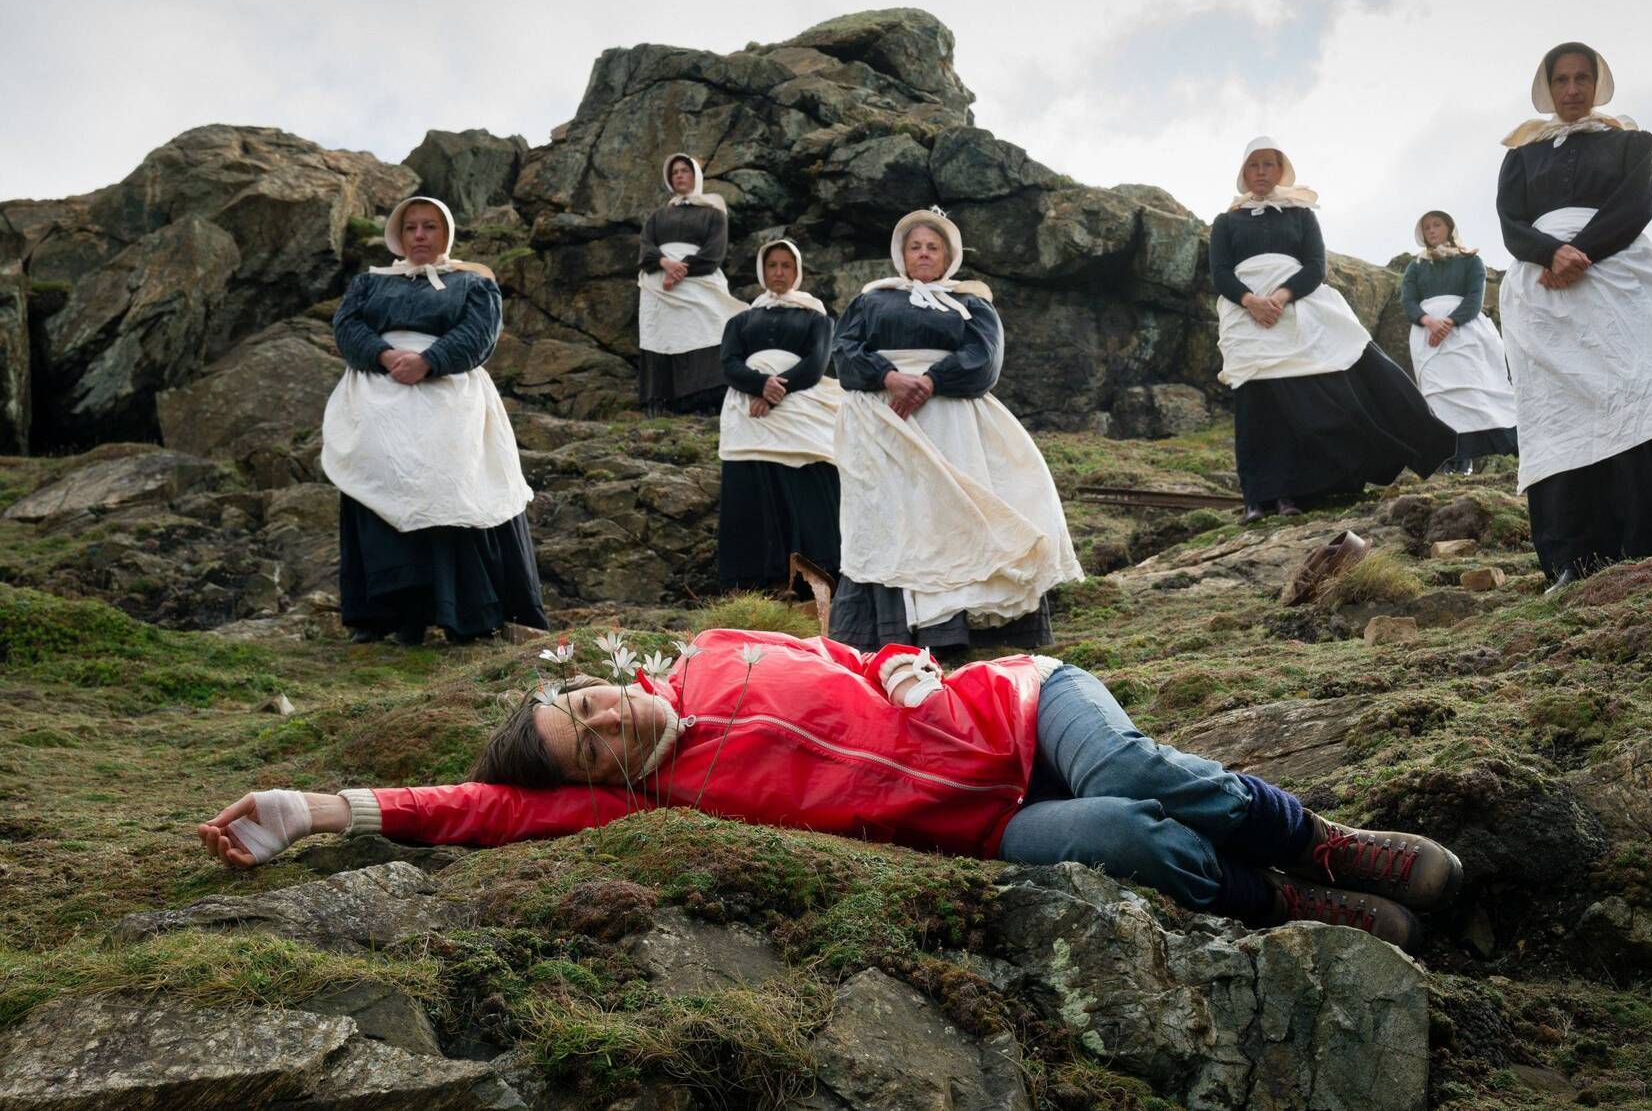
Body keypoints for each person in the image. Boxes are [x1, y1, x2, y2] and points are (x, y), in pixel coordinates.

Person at [198, 630, 1465, 950]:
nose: (602, 719)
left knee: (1130, 764)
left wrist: (904, 661)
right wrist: (315, 810)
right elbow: (479, 809)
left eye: (582, 701)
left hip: (1015, 702)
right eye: (585, 743)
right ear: (598, 779)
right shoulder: (660, 801)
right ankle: (1280, 901)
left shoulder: (713, 650)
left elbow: (855, 650)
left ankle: (1321, 840)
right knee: (1123, 831)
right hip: (988, 819)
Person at [1496, 42, 1652, 590]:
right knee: (1564, 410)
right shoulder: (1521, 155)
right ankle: (1578, 554)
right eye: (1562, 80)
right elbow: (1511, 223)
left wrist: (1581, 252)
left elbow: (1635, 206)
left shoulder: (1630, 142)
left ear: (1597, 83)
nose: (1572, 89)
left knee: (1650, 383)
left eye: (1582, 78)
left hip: (1622, 271)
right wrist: (1549, 254)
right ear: (1547, 87)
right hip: (1542, 290)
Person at [828, 207, 1081, 650]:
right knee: (894, 519)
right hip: (883, 424)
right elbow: (845, 351)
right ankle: (890, 633)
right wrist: (888, 376)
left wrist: (931, 381)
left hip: (951, 426)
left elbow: (985, 358)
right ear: (901, 254)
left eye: (933, 247)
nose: (924, 254)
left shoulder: (972, 304)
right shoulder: (870, 301)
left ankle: (954, 630)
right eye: (915, 247)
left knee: (951, 516)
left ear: (948, 256)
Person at [323, 196, 548, 644]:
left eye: (429, 226)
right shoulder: (369, 283)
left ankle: (464, 613)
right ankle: (388, 614)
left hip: (449, 395)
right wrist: (384, 355)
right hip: (376, 395)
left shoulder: (473, 283)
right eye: (411, 228)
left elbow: (479, 333)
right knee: (378, 488)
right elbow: (347, 326)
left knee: (451, 489)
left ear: (446, 233)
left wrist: (430, 360)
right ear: (398, 235)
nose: (420, 235)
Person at [1211, 137, 1455, 522]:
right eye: (1254, 165)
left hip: (1295, 307)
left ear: (1281, 170)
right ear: (1243, 171)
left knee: (1305, 400)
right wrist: (1251, 301)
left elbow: (1315, 266)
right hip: (1245, 316)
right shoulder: (1226, 222)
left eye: (1269, 164)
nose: (1261, 172)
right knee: (1255, 406)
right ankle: (1256, 497)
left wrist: (1281, 297)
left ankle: (1291, 494)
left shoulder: (1301, 215)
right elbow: (1220, 272)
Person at [716, 238, 843, 590]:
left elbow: (816, 364)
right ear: (762, 270)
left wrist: (774, 394)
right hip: (748, 413)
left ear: (797, 271)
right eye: (772, 265)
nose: (779, 272)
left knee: (806, 485)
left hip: (802, 409)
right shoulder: (741, 320)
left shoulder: (817, 318)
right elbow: (729, 363)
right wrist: (759, 385)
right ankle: (754, 579)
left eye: (787, 265)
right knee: (751, 488)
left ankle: (813, 578)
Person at [1400, 211, 1519, 474]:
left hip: (1466, 332)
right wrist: (1429, 321)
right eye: (1427, 227)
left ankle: (1511, 449)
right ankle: (1453, 461)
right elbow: (1408, 301)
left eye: (1437, 225)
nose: (1432, 230)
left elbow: (1474, 298)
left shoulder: (1470, 260)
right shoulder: (1416, 266)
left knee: (1475, 390)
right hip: (1427, 336)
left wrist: (1450, 322)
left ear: (1449, 227)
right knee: (1439, 396)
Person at [636, 152, 743, 416]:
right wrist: (665, 263)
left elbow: (714, 252)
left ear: (696, 175)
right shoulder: (658, 216)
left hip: (698, 282)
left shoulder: (714, 213)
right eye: (674, 172)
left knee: (707, 330)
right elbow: (646, 247)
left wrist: (680, 270)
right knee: (661, 337)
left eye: (685, 170)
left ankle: (704, 401)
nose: (679, 176)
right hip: (658, 287)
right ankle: (662, 400)